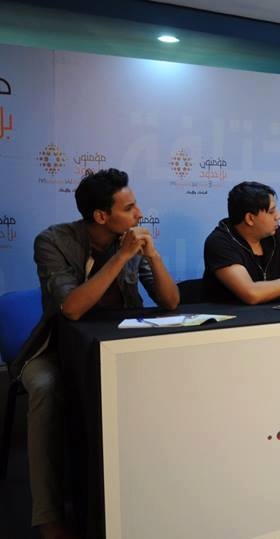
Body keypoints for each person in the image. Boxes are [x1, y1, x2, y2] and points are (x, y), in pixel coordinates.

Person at [15, 168, 179, 538]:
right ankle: (48, 516)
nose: (139, 214)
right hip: (58, 347)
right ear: (101, 216)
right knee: (45, 387)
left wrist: (152, 256)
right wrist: (121, 256)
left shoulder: (132, 241)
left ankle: (150, 493)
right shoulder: (53, 241)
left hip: (122, 346)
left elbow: (170, 302)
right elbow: (72, 309)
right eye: (129, 208)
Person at [203, 181, 280, 306]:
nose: (278, 216)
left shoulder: (275, 234)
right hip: (231, 315)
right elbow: (251, 294)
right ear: (250, 218)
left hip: (275, 312)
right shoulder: (219, 242)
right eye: (271, 212)